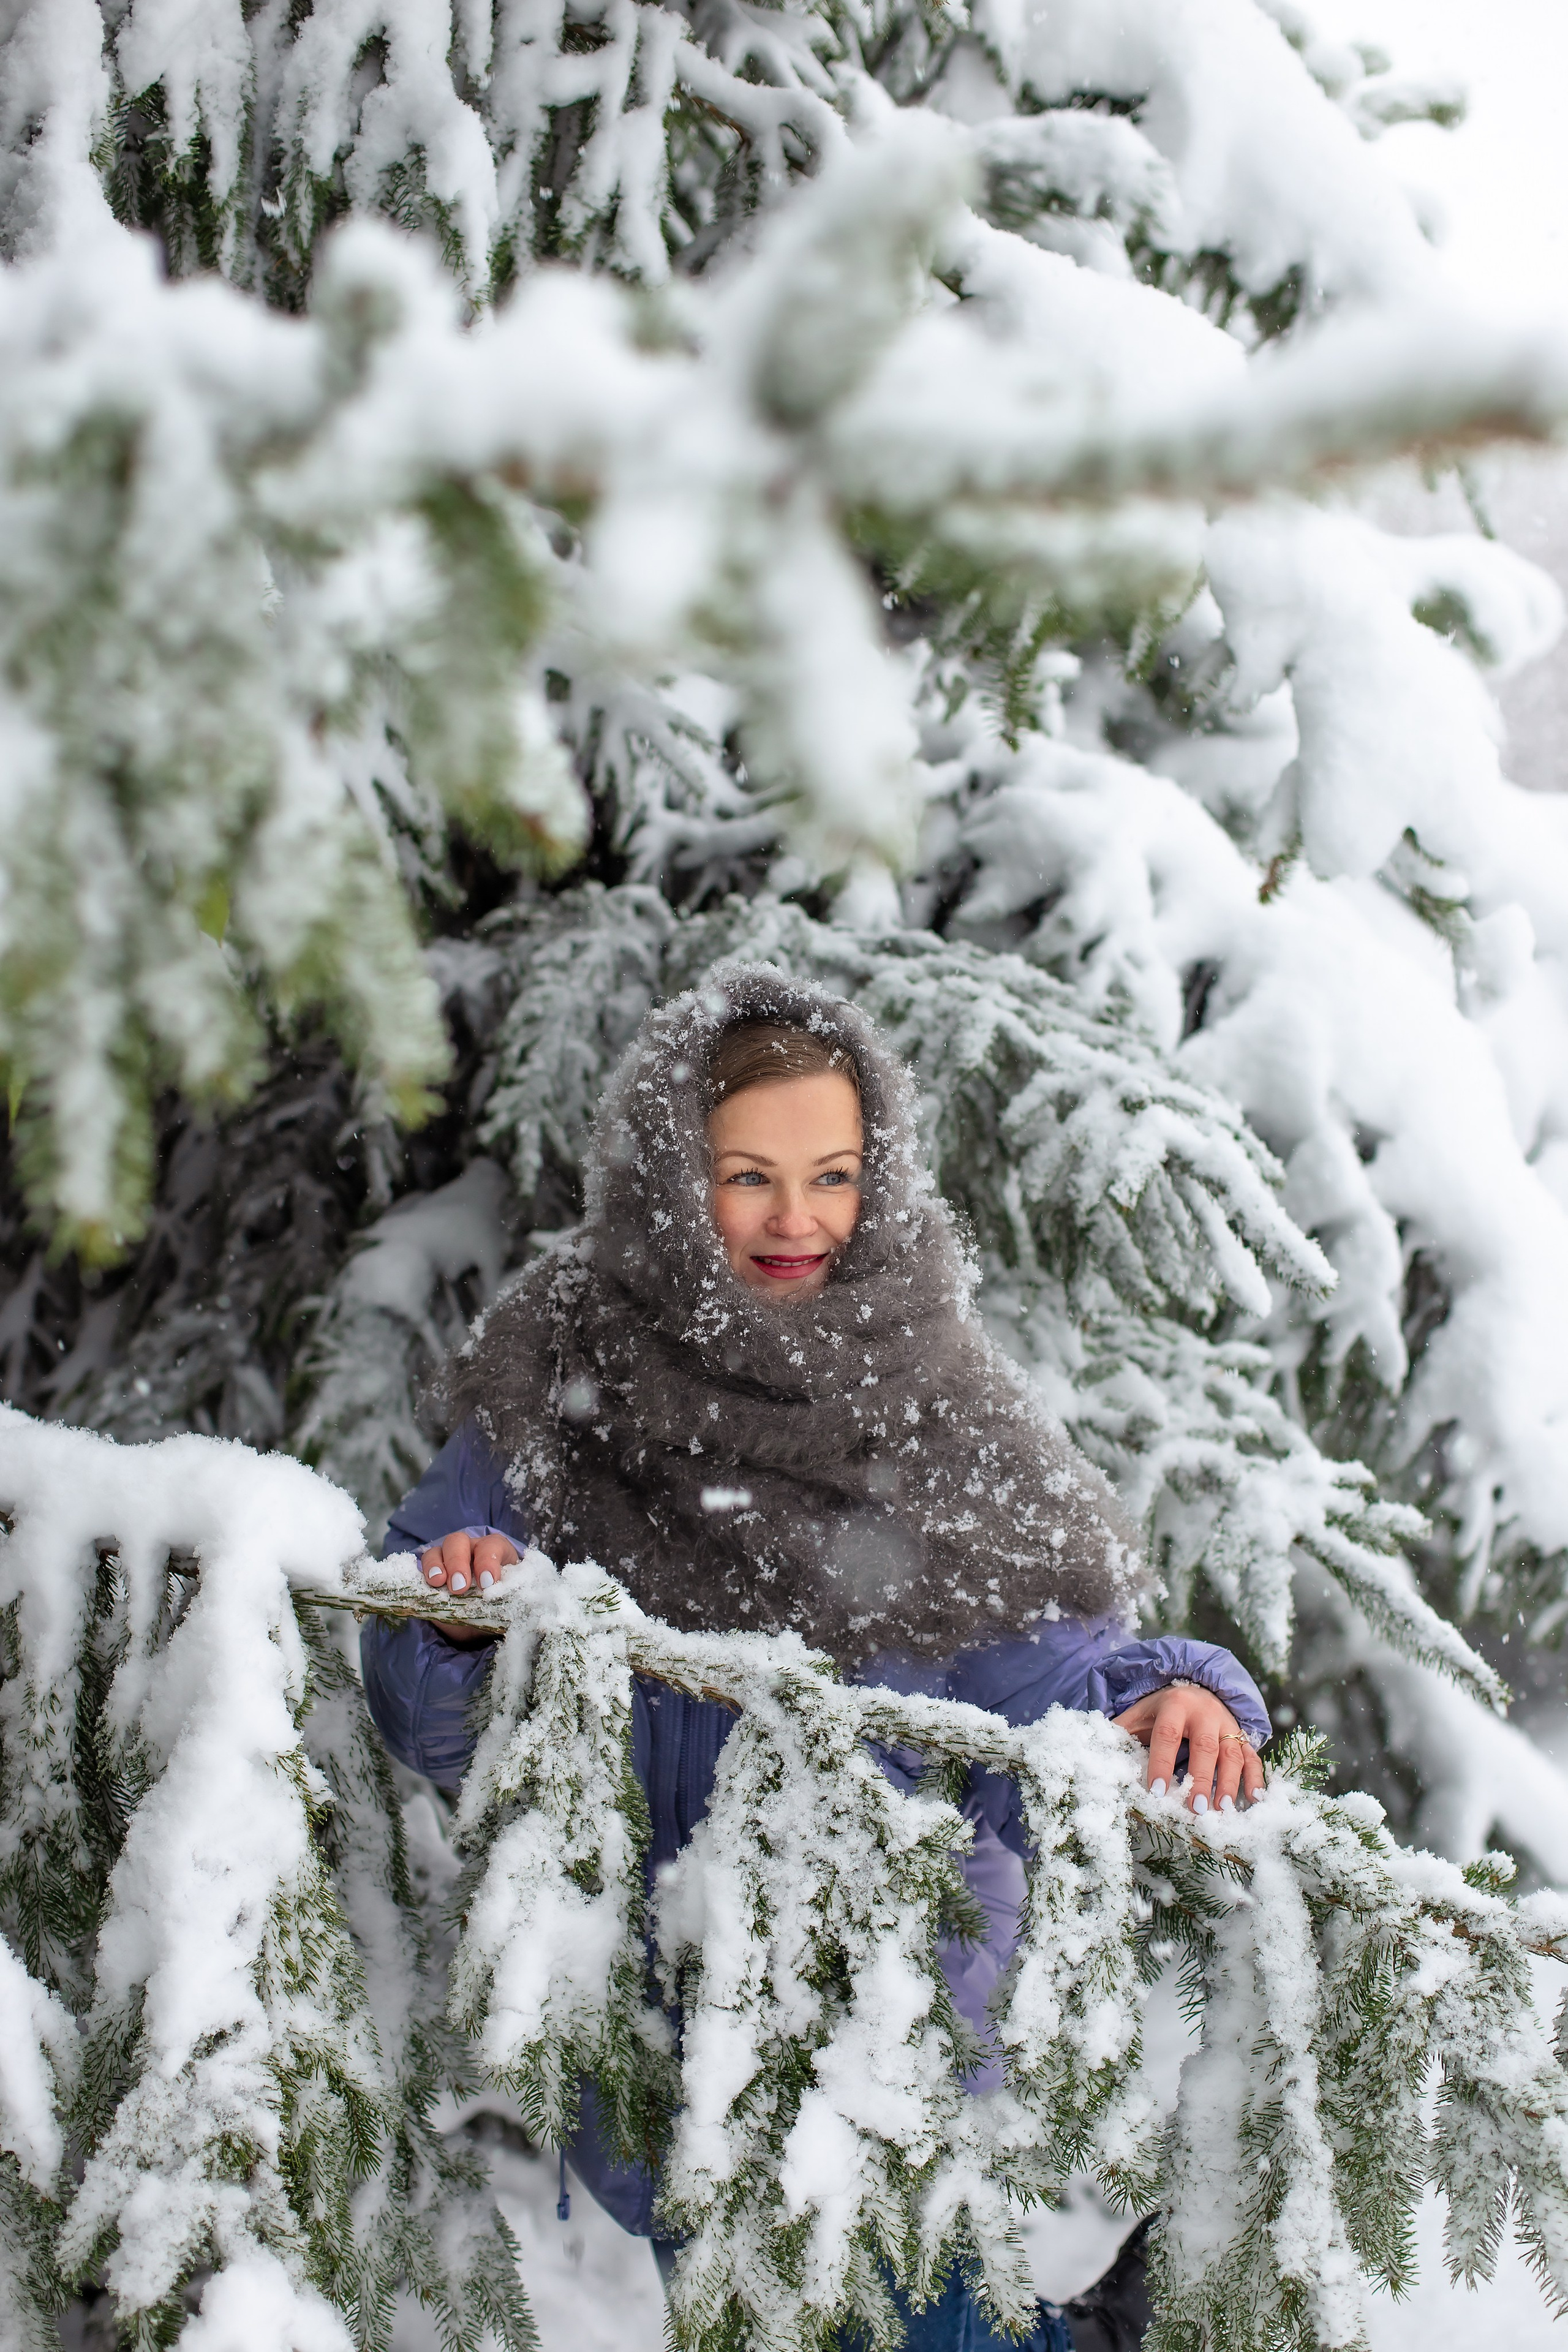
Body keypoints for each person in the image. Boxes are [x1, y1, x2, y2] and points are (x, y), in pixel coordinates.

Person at [361, 962, 1270, 2351]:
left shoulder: (930, 1403)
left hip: (882, 2019)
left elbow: (1050, 1683)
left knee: (903, 2318)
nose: (798, 1220)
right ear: (671, 1178)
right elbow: (434, 1732)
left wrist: (1169, 1696)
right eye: (748, 1177)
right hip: (654, 2024)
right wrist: (451, 1624)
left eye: (833, 1174)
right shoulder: (560, 1378)